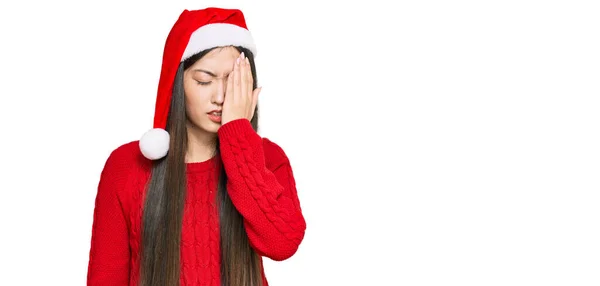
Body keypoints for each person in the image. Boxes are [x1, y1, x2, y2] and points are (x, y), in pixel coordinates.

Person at [86, 7, 307, 286]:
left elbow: (282, 244)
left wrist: (238, 135)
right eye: (204, 80)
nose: (220, 96)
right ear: (178, 82)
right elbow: (105, 278)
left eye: (233, 81)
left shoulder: (268, 158)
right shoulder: (126, 165)